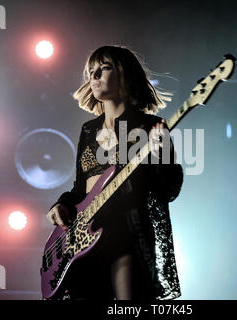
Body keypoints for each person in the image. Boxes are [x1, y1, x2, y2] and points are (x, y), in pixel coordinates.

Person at [46, 45, 183, 300]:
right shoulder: (89, 130)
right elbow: (80, 188)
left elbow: (169, 189)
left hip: (127, 237)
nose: (94, 77)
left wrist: (161, 156)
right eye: (91, 72)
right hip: (83, 241)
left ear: (125, 75)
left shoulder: (150, 126)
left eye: (104, 68)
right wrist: (62, 204)